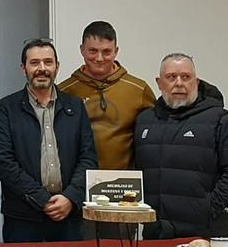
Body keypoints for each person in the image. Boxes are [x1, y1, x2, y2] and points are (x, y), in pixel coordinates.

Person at [0, 39, 99, 243]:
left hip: (69, 215)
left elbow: (88, 158)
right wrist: (42, 199)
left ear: (57, 67)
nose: (42, 69)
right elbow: (3, 162)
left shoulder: (75, 107)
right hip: (23, 218)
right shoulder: (6, 108)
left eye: (48, 62)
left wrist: (69, 198)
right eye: (34, 63)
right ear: (24, 68)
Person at [134, 53, 228, 239]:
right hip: (157, 235)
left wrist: (210, 209)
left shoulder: (219, 119)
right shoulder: (144, 121)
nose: (179, 83)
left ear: (196, 81)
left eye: (186, 77)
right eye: (171, 77)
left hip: (206, 235)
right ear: (159, 82)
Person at [57, 20, 156, 170]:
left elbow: (154, 139)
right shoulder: (64, 91)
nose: (99, 58)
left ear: (116, 51)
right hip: (78, 183)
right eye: (93, 51)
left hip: (124, 184)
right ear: (82, 50)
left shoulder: (138, 90)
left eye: (106, 52)